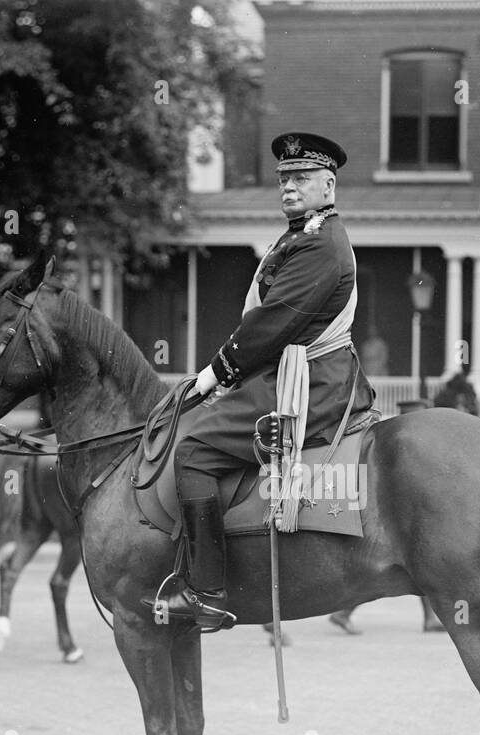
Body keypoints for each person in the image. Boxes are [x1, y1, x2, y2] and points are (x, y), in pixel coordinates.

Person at [144, 131, 375, 629]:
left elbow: (271, 324)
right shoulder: (298, 236)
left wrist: (211, 377)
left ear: (328, 185)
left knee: (193, 453)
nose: (289, 187)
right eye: (284, 179)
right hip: (290, 371)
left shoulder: (319, 245)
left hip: (308, 381)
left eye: (302, 178)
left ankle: (207, 590)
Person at [328, 371, 480, 636]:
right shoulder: (407, 446)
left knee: (411, 569)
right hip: (402, 519)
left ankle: (432, 617)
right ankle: (346, 612)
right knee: (392, 569)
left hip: (411, 518)